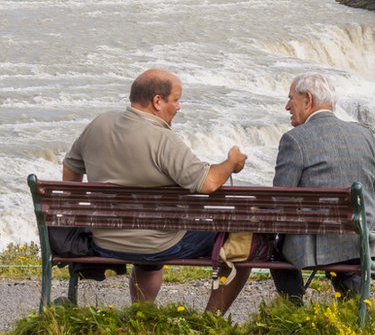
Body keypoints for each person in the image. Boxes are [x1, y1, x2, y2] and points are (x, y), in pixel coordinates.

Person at [62, 68, 249, 313]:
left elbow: (70, 167)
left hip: (103, 239)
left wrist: (78, 212)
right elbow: (208, 182)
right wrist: (231, 162)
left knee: (151, 238)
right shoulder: (163, 140)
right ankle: (211, 320)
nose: (179, 107)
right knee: (243, 243)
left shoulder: (100, 123)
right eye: (176, 99)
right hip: (157, 244)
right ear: (157, 101)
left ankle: (143, 313)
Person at [269, 72, 375, 303]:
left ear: (308, 99)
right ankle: (352, 299)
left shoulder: (294, 140)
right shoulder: (365, 135)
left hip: (315, 248)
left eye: (291, 99)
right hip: (362, 241)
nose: (287, 106)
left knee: (271, 248)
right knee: (345, 247)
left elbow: (279, 203)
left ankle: (293, 308)